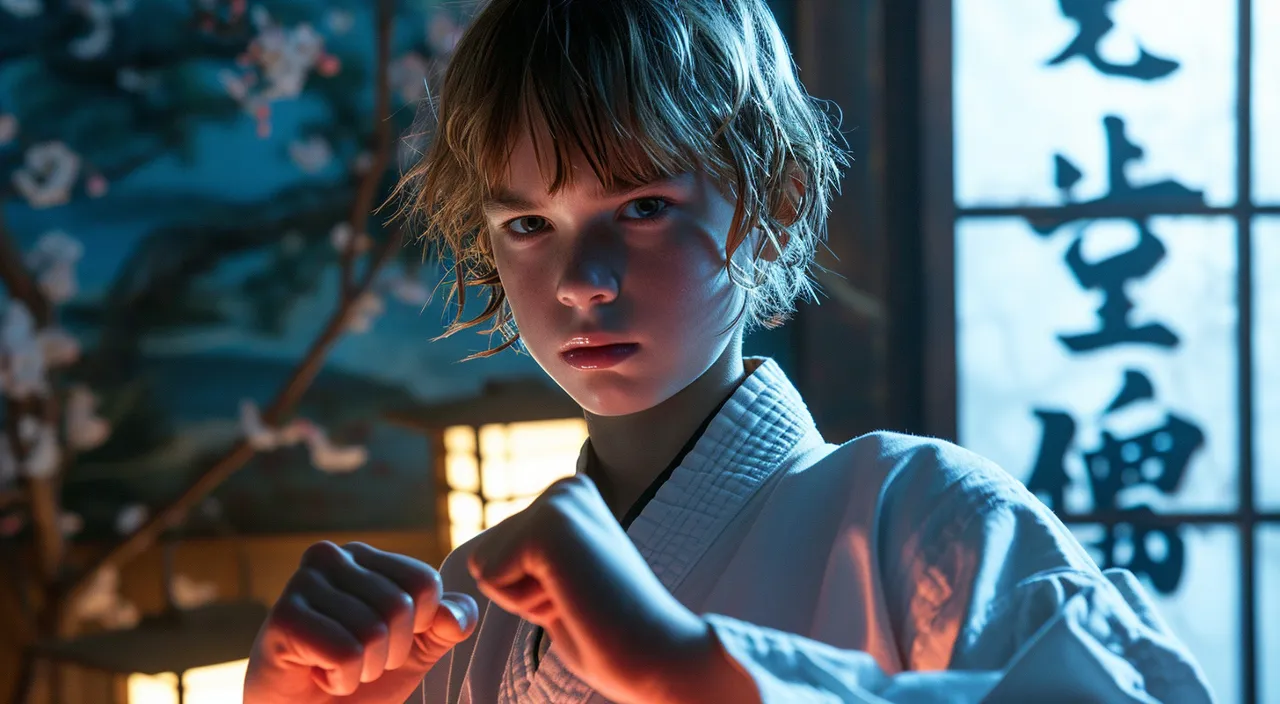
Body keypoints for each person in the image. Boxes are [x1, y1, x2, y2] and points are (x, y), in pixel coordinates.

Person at [243, 0, 1217, 702]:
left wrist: (691, 672)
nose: (581, 277)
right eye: (529, 224)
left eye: (642, 207)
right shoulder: (463, 608)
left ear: (772, 201)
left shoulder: (915, 515)